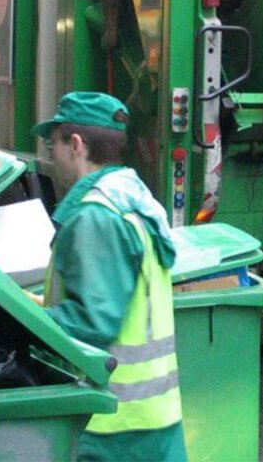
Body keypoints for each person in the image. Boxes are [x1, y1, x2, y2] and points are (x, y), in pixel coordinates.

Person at [31, 91, 187, 462]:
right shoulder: (132, 197)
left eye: (53, 143)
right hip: (151, 415)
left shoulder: (96, 216)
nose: (51, 153)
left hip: (112, 422)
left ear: (76, 144)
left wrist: (24, 323)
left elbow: (94, 319)